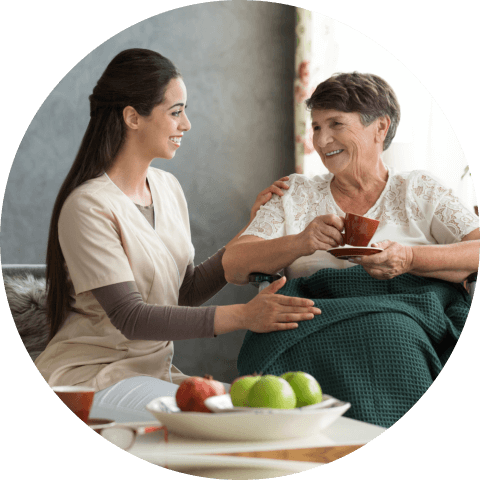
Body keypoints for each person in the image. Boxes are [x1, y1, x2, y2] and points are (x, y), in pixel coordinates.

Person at [33, 48, 321, 423]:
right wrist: (245, 315)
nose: (186, 124)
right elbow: (131, 317)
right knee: (224, 421)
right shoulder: (88, 207)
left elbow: (183, 291)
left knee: (248, 415)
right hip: (94, 377)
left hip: (154, 374)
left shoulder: (167, 188)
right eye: (175, 112)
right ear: (132, 117)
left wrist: (251, 234)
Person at [222, 72, 480, 428]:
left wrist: (408, 259)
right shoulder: (295, 194)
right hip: (310, 318)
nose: (322, 139)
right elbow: (233, 264)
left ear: (380, 128)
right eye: (315, 127)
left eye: (336, 124)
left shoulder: (418, 189)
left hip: (404, 316)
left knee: (391, 334)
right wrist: (300, 242)